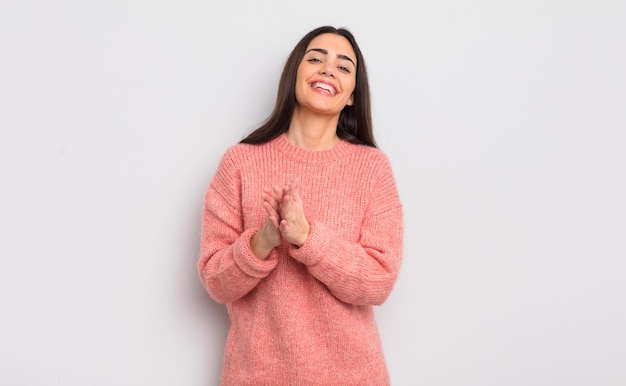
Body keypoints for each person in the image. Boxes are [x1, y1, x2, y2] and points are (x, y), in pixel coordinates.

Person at [198, 25, 404, 385]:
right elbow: (216, 283)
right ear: (295, 74)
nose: (327, 70)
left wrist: (308, 238)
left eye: (344, 66)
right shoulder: (240, 163)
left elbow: (379, 281)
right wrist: (262, 241)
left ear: (353, 95)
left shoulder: (372, 168)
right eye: (316, 59)